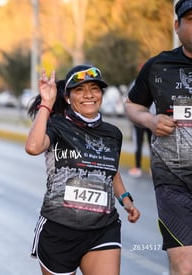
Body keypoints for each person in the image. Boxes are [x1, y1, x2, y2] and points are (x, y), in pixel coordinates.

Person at [25, 64, 140, 275]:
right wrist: (47, 105)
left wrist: (126, 200)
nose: (89, 95)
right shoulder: (57, 125)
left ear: (101, 94)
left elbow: (108, 169)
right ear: (68, 97)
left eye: (95, 88)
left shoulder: (112, 134)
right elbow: (32, 147)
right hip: (60, 229)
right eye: (79, 90)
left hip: (103, 228)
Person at [125, 1, 192, 273]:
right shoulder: (158, 66)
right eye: (191, 19)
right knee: (183, 263)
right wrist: (150, 120)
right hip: (172, 180)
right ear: (177, 26)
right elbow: (132, 105)